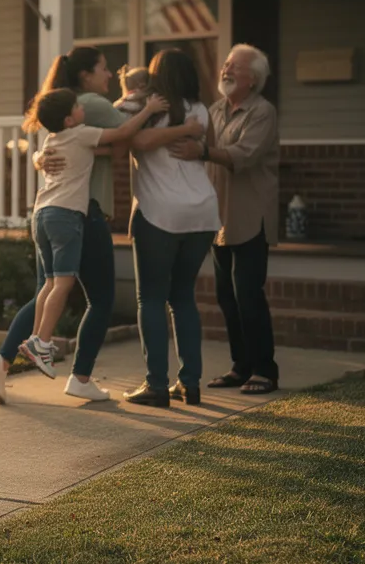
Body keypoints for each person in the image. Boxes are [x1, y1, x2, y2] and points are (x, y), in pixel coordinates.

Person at [0, 47, 130, 405]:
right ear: (86, 76)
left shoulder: (63, 104)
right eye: (104, 69)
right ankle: (80, 377)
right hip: (83, 212)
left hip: (47, 211)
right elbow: (131, 135)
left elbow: (46, 152)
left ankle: (2, 359)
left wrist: (37, 158)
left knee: (46, 290)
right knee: (101, 297)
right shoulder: (91, 104)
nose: (109, 76)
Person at [18, 87, 169, 371]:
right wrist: (148, 109)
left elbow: (101, 148)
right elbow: (123, 133)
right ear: (69, 120)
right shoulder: (82, 133)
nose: (82, 109)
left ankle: (34, 339)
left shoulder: (53, 139)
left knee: (49, 283)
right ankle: (41, 342)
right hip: (65, 216)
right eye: (77, 106)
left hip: (42, 214)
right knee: (63, 283)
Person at [169, 43, 281, 396]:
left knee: (248, 295)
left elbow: (243, 155)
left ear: (254, 78)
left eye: (235, 66)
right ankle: (241, 366)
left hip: (249, 216)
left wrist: (202, 150)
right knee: (226, 296)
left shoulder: (263, 112)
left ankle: (265, 370)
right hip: (217, 219)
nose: (226, 70)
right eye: (226, 64)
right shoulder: (214, 110)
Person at [116, 49, 217, 407]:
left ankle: (157, 385)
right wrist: (189, 131)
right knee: (183, 298)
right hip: (203, 213)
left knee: (152, 299)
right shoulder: (200, 109)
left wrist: (141, 105)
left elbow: (137, 141)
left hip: (160, 213)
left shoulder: (151, 107)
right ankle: (190, 384)